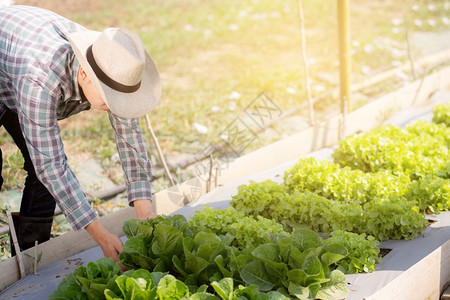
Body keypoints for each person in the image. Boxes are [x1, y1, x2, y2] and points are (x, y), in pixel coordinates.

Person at [0, 5, 161, 262]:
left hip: (17, 69)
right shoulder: (40, 78)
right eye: (110, 98)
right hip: (15, 61)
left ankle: (30, 257)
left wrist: (145, 208)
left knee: (41, 172)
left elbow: (130, 136)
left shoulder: (111, 61)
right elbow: (51, 165)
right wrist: (101, 236)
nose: (115, 104)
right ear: (84, 74)